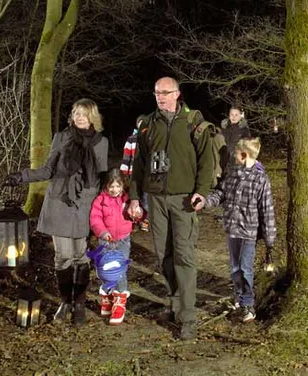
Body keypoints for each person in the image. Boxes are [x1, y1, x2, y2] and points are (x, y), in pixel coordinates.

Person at [4, 98, 109, 326]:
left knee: (81, 256)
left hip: (84, 204)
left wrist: (105, 210)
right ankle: (65, 302)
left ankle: (79, 303)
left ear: (92, 117)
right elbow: (48, 169)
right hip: (59, 202)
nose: (79, 117)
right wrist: (21, 177)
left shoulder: (101, 142)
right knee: (63, 257)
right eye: (75, 113)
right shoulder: (61, 138)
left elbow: (101, 180)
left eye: (84, 113)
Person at [126, 77, 215, 341]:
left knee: (184, 256)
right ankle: (176, 302)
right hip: (155, 200)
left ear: (177, 93)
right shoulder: (148, 126)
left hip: (184, 199)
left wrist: (201, 192)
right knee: (164, 255)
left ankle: (188, 316)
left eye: (165, 93)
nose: (160, 97)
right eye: (156, 93)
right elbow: (138, 166)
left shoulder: (193, 123)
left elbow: (206, 161)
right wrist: (133, 197)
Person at [200, 137, 276, 323]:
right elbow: (221, 193)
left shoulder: (261, 179)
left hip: (248, 232)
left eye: (235, 153)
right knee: (235, 267)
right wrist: (205, 201)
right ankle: (239, 296)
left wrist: (269, 238)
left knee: (245, 268)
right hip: (232, 229)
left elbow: (267, 209)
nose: (233, 156)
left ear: (244, 155)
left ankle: (248, 302)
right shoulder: (232, 174)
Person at [89, 169, 136, 325]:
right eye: (112, 186)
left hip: (122, 239)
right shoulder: (100, 201)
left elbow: (137, 213)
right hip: (106, 241)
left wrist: (138, 214)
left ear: (123, 186)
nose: (115, 190)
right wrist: (102, 232)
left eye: (118, 186)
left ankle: (120, 299)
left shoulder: (126, 199)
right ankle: (108, 296)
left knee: (119, 270)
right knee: (106, 270)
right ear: (106, 186)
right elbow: (95, 219)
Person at [121, 114, 150, 232]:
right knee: (133, 197)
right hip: (133, 174)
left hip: (146, 174)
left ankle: (145, 220)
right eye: (140, 123)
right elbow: (126, 156)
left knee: (146, 197)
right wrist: (124, 173)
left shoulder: (149, 138)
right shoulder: (131, 139)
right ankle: (132, 220)